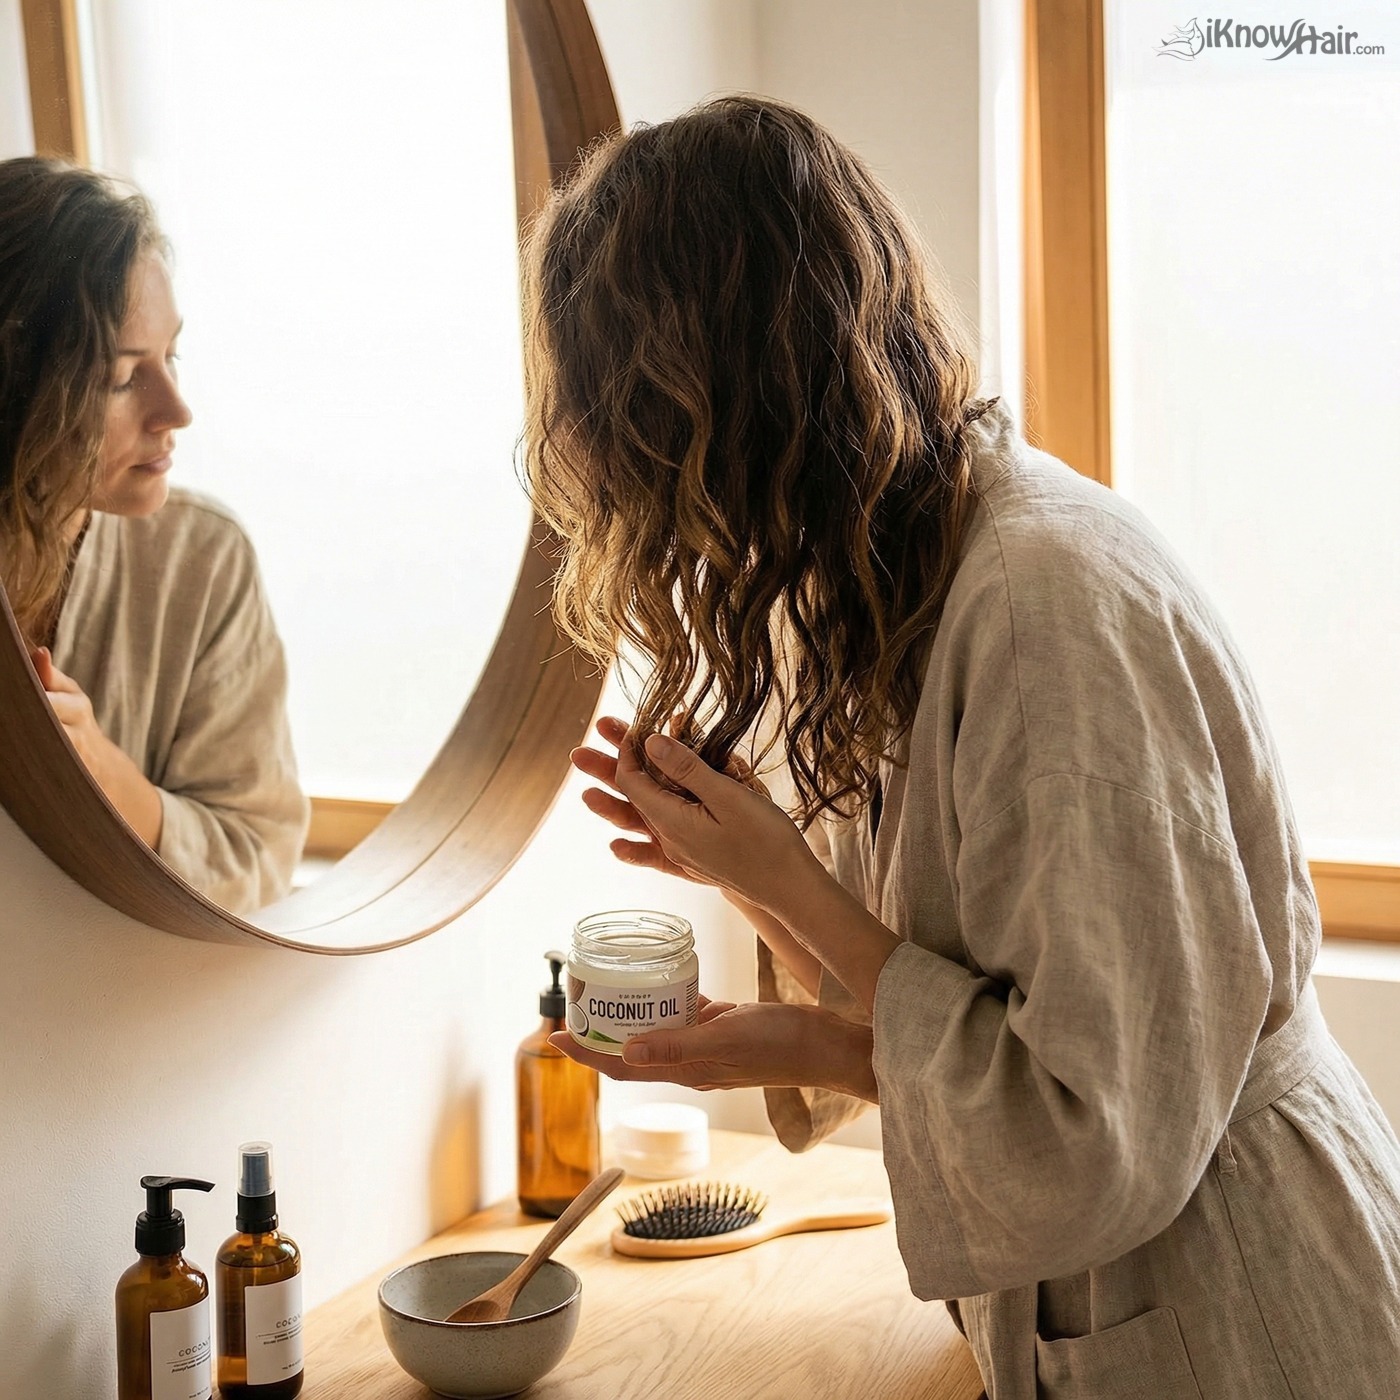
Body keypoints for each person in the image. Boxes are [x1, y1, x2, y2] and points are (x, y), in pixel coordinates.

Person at [523, 97, 1400, 1397]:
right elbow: (994, 1004)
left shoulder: (1050, 606)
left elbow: (1086, 1128)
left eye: (639, 444)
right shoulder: (912, 590)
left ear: (722, 409)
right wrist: (778, 961)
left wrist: (787, 886)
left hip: (1247, 1318)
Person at [0, 157, 308, 912]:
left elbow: (259, 857)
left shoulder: (201, 562)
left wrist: (103, 776)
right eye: (122, 375)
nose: (177, 409)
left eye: (171, 357)